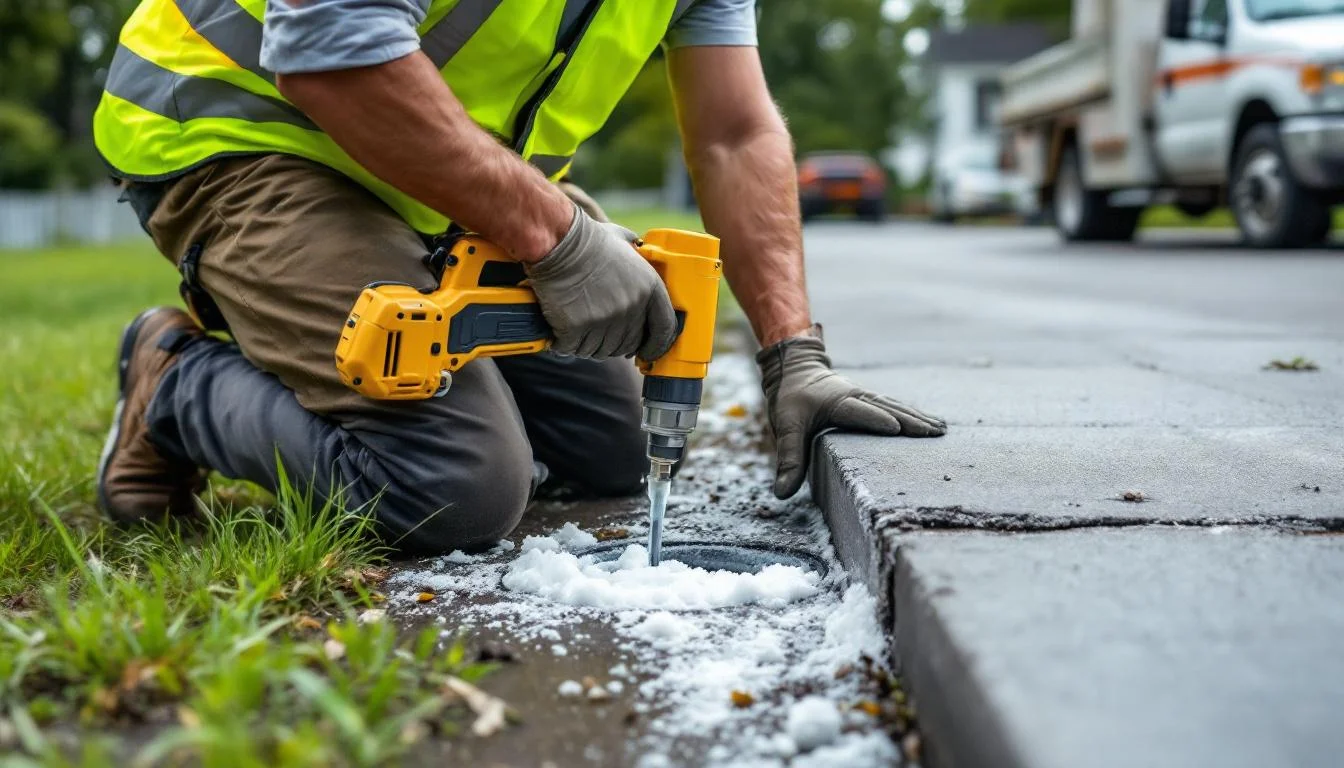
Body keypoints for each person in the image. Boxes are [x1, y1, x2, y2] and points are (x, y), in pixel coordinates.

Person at [94, 0, 946, 554]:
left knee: (612, 448)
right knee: (450, 488)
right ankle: (174, 383)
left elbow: (734, 131)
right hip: (240, 133)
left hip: (432, 171)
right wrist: (559, 238)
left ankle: (427, 339)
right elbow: (329, 53)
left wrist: (791, 352)